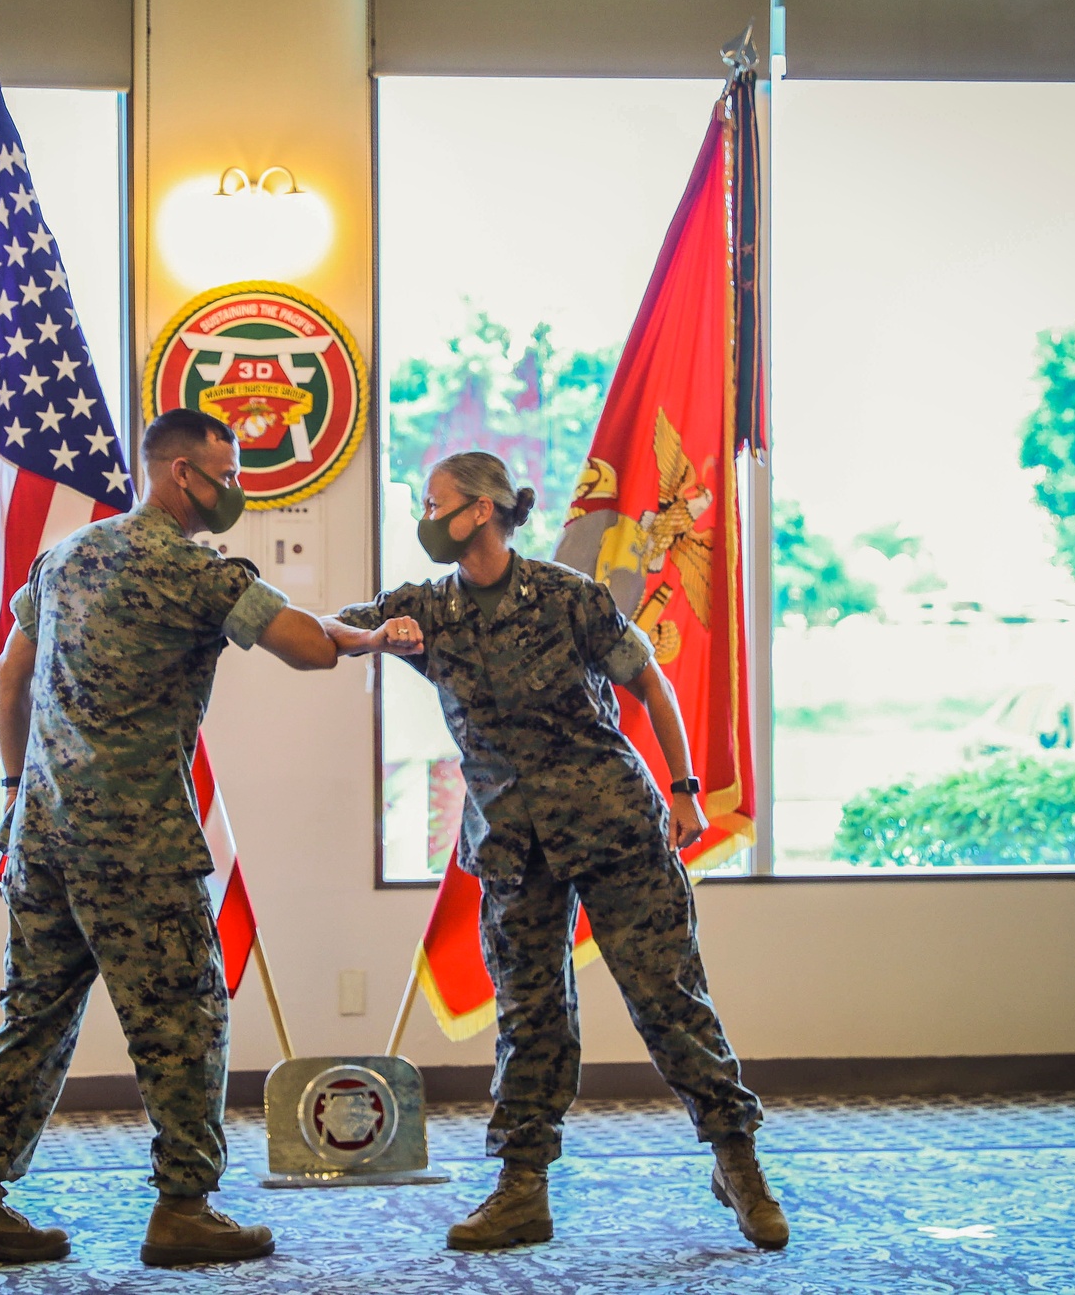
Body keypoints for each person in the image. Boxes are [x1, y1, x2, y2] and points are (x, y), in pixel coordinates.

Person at [322, 450, 789, 1253]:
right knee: (530, 1017)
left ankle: (736, 1160)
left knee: (670, 1000)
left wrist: (682, 788)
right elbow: (333, 631)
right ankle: (522, 1188)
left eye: (434, 502)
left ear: (481, 510)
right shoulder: (424, 606)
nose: (424, 515)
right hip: (512, 845)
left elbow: (652, 684)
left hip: (614, 826)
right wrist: (372, 637)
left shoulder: (568, 597)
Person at [0, 410, 343, 1268]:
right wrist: (361, 632)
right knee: (186, 1017)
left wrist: (14, 786)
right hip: (138, 844)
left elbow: (10, 671)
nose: (235, 489)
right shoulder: (191, 567)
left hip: (44, 836)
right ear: (180, 473)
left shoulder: (69, 554)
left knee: (32, 1017)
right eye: (226, 474)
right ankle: (184, 1208)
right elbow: (309, 648)